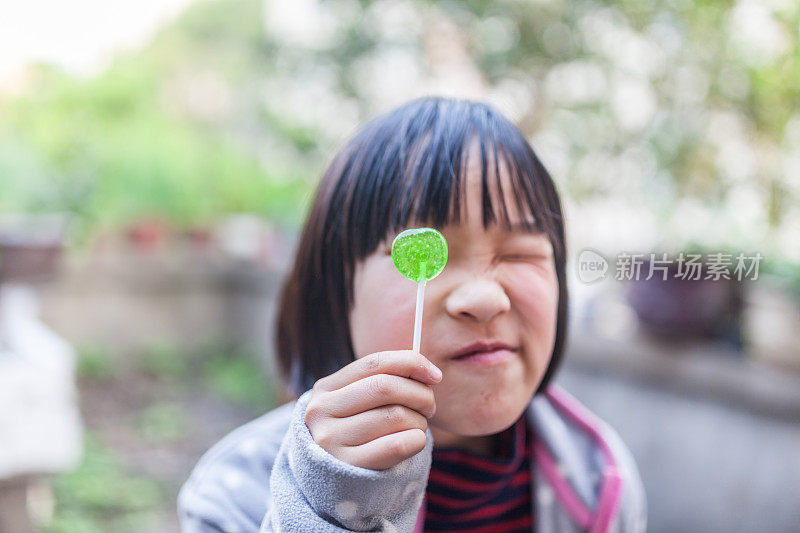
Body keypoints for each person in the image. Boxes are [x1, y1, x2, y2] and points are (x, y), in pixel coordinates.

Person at [178, 97, 647, 532]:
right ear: (335, 297)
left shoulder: (600, 479)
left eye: (520, 254)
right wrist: (330, 511)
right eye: (425, 255)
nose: (485, 298)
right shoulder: (237, 497)